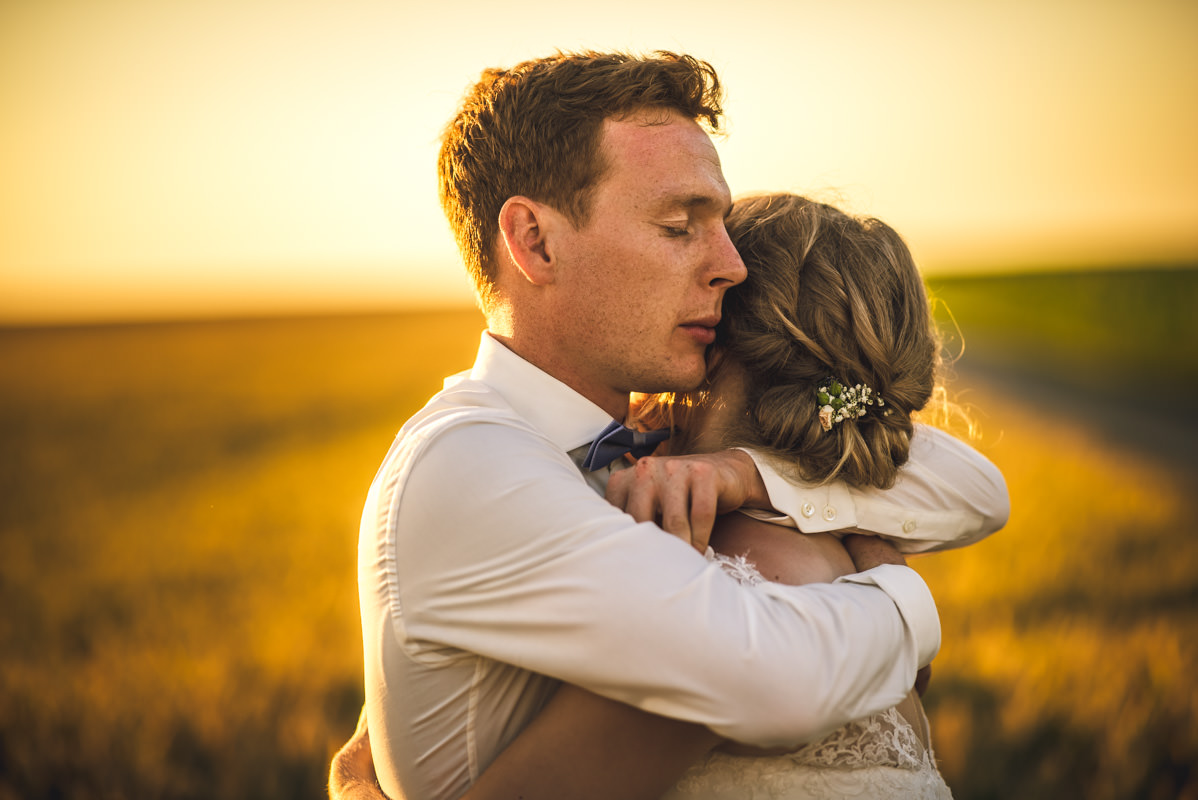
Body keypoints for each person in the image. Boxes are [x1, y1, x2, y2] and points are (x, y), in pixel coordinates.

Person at [348, 50, 1007, 800]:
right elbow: (775, 682)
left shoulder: (649, 447)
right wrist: (904, 599)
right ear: (534, 241)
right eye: (678, 226)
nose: (730, 266)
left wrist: (746, 474)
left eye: (722, 225)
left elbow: (968, 481)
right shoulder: (470, 461)